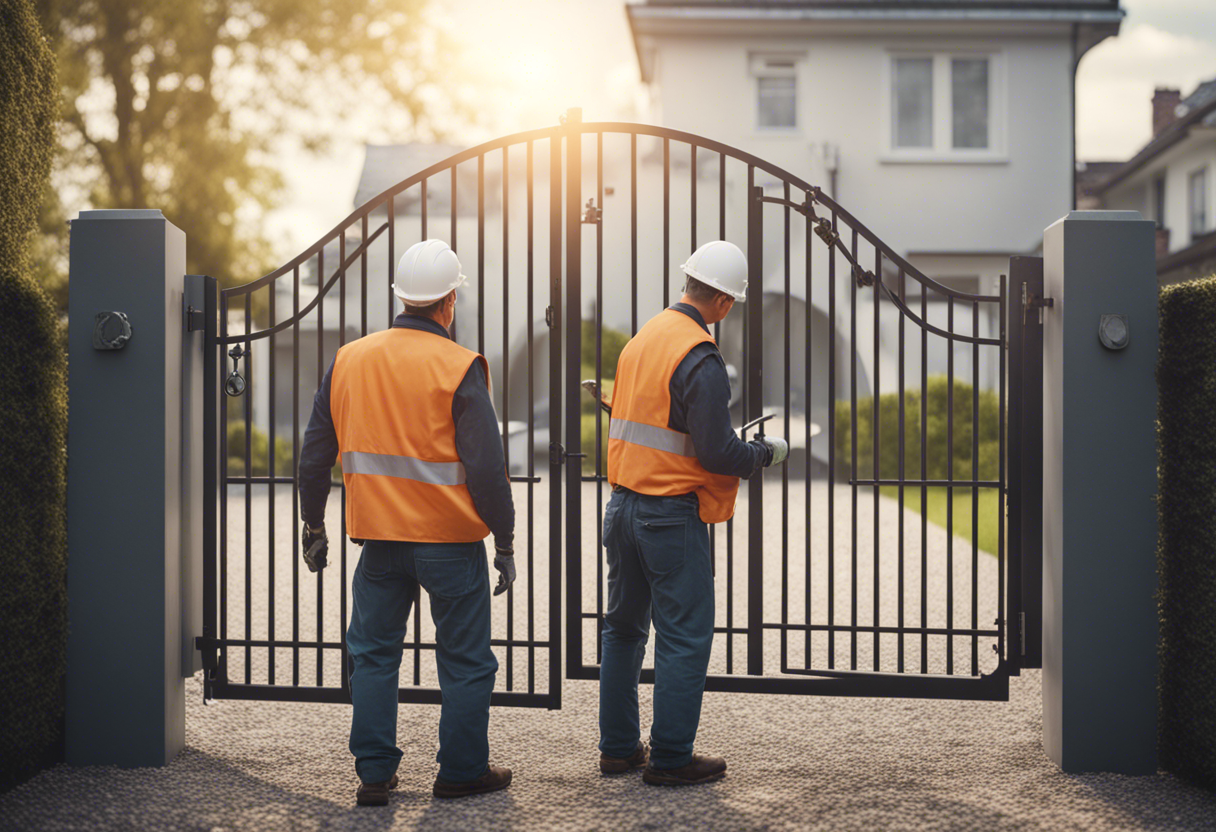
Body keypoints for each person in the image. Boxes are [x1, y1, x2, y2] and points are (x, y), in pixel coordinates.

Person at [297, 239, 516, 806]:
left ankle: (373, 773)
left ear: (399, 297)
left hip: (379, 544)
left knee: (373, 656)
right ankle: (462, 771)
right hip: (450, 544)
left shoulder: (350, 358)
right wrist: (505, 540)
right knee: (466, 660)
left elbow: (315, 451)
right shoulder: (459, 365)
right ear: (448, 302)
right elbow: (488, 469)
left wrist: (313, 525)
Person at [598, 240, 790, 786]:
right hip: (669, 518)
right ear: (725, 302)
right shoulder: (700, 356)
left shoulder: (642, 342)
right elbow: (716, 453)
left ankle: (617, 750)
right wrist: (766, 452)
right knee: (684, 637)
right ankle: (671, 758)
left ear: (688, 283)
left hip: (623, 506)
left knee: (623, 631)